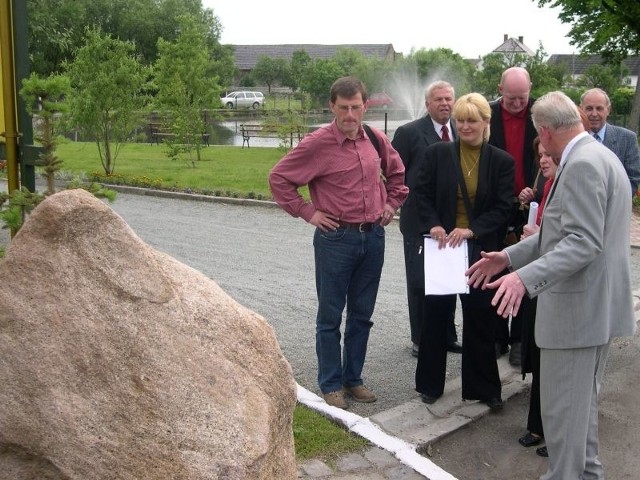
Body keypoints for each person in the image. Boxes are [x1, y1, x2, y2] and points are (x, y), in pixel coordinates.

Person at [467, 91, 636, 479]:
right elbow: (557, 234)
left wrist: (522, 280)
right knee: (579, 412)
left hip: (577, 314)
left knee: (562, 413)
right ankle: (585, 474)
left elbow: (582, 242)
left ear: (544, 131)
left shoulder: (581, 165)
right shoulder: (596, 155)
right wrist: (508, 258)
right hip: (593, 309)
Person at [268, 76, 408, 410]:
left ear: (364, 106)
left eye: (356, 107)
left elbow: (399, 174)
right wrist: (308, 212)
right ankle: (330, 383)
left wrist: (390, 204)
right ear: (332, 106)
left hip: (373, 237)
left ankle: (353, 378)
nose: (350, 114)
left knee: (362, 315)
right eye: (343, 107)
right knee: (330, 316)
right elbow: (279, 179)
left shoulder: (374, 138)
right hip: (336, 239)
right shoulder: (317, 144)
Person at [413, 93, 514, 411]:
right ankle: (430, 385)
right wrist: (434, 226)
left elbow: (503, 207)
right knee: (435, 319)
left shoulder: (501, 161)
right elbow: (422, 195)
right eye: (461, 119)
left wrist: (472, 229)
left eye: (472, 120)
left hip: (480, 251)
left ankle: (484, 388)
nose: (465, 126)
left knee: (480, 319)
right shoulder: (437, 154)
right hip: (443, 249)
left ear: (486, 122)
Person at [391, 80, 461, 358]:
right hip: (419, 222)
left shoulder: (459, 129)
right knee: (420, 282)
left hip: (452, 222)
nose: (445, 104)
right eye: (439, 99)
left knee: (450, 279)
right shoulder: (408, 133)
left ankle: (447, 335)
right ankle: (421, 339)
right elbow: (396, 174)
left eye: (448, 99)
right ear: (427, 104)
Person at [488, 66, 538, 366]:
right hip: (497, 204)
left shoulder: (541, 113)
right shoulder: (489, 114)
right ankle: (496, 336)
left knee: (527, 272)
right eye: (511, 98)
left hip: (532, 203)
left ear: (530, 89)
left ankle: (520, 338)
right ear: (499, 89)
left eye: (523, 97)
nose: (518, 104)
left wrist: (537, 190)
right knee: (494, 270)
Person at [514, 136, 560, 458]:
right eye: (540, 155)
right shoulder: (545, 188)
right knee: (537, 352)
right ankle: (538, 425)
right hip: (538, 279)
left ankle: (554, 433)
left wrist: (539, 237)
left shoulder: (567, 187)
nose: (543, 160)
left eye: (549, 156)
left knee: (553, 360)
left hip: (556, 284)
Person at [580, 87, 640, 195]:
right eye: (589, 108)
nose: (594, 114)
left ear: (608, 110)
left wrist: (612, 205)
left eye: (599, 108)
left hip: (614, 208)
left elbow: (633, 179)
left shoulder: (627, 138)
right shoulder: (574, 138)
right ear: (581, 110)